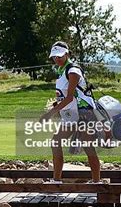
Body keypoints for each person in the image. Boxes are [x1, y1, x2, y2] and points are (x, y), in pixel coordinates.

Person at [40, 41, 102, 184]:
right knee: (56, 142)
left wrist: (50, 114)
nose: (57, 59)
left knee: (88, 146)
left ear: (67, 54)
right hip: (71, 113)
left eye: (60, 56)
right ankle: (56, 181)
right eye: (54, 57)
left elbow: (70, 97)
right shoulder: (61, 70)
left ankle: (96, 183)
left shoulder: (73, 70)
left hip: (84, 113)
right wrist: (56, 105)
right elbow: (64, 96)